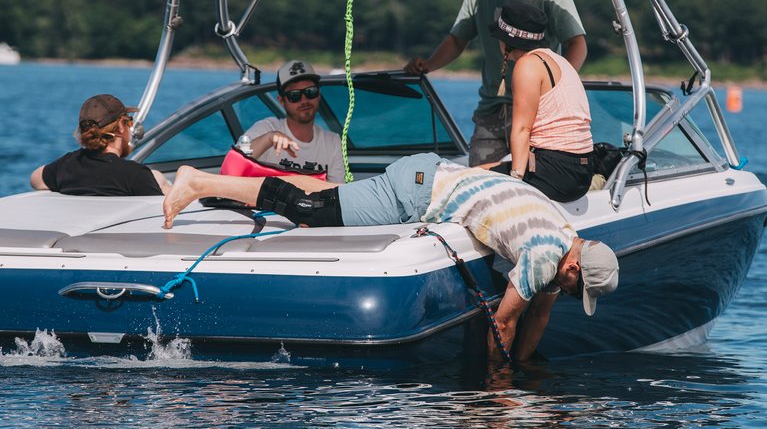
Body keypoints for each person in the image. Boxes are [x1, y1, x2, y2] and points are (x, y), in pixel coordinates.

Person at [162, 153, 618, 362]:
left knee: (325, 199)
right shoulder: (546, 254)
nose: (572, 294)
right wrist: (501, 387)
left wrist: (525, 368)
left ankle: (211, 186)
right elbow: (506, 322)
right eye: (580, 290)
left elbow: (540, 308)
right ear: (575, 267)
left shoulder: (565, 232)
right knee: (308, 211)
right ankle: (200, 183)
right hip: (417, 191)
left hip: (430, 174)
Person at [404, 0, 588, 166]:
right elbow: (458, 39)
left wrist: (558, 87)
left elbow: (576, 43)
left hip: (536, 110)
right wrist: (427, 65)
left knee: (530, 182)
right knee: (479, 181)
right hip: (491, 106)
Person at [483, 1, 593, 203]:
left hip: (557, 172)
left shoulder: (528, 65)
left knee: (472, 177)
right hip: (582, 172)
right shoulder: (558, 60)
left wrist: (516, 182)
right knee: (486, 168)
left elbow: (522, 129)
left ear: (505, 41)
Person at [29, 94, 170, 196]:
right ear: (121, 126)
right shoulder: (135, 175)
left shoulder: (66, 165)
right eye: (129, 122)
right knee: (159, 178)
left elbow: (35, 179)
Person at [242, 59, 345, 183]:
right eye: (294, 95)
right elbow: (235, 164)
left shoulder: (332, 142)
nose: (304, 99)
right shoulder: (266, 128)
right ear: (281, 101)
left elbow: (337, 190)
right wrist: (268, 138)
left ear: (319, 95)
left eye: (310, 92)